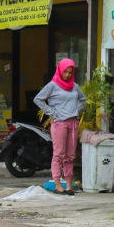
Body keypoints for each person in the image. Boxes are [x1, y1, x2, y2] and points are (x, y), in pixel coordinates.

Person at [33, 58, 86, 195]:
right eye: (65, 72)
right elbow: (38, 99)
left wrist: (76, 110)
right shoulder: (52, 85)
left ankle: (68, 186)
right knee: (59, 155)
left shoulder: (74, 86)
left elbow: (83, 99)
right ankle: (58, 185)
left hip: (73, 123)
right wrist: (52, 114)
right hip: (59, 124)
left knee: (70, 156)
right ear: (60, 71)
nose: (67, 75)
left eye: (70, 72)